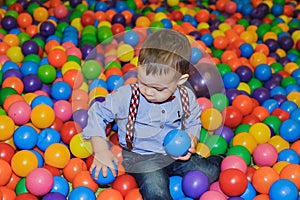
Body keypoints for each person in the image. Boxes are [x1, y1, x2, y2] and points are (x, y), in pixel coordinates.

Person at [82, 29, 223, 199]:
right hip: (142, 157)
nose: (148, 92)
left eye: (158, 88)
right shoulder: (127, 96)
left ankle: (220, 160)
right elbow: (97, 113)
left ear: (180, 81)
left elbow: (193, 119)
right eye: (143, 82)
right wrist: (101, 150)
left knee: (208, 172)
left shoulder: (185, 96)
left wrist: (192, 137)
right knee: (155, 189)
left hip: (176, 155)